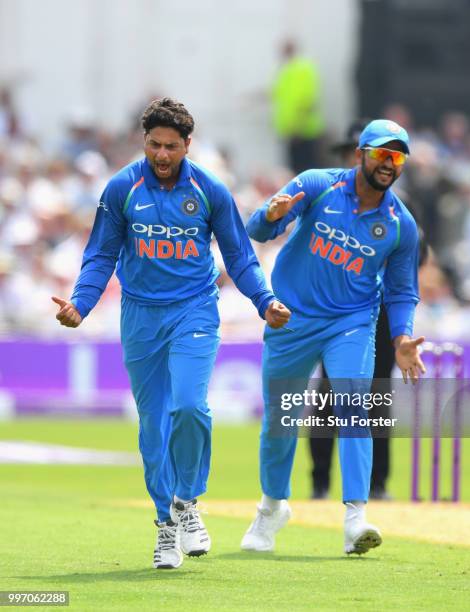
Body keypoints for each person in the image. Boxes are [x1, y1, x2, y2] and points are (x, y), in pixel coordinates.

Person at [51, 97, 291, 570]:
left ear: (187, 145)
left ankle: (187, 504)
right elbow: (101, 255)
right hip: (140, 316)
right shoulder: (122, 187)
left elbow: (239, 255)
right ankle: (165, 526)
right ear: (144, 142)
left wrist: (265, 301)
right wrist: (81, 302)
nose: (162, 155)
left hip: (194, 311)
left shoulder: (209, 190)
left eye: (171, 147)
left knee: (190, 406)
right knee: (153, 425)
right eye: (154, 145)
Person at [242, 119, 426, 555]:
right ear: (360, 153)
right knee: (279, 419)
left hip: (352, 322)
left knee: (353, 405)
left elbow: (402, 291)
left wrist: (402, 338)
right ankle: (271, 509)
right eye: (381, 153)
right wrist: (270, 216)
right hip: (292, 318)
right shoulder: (316, 185)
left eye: (397, 156)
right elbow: (256, 230)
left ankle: (355, 518)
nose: (388, 163)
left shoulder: (401, 224)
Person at [271, 40, 325, 173]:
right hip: (291, 132)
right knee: (294, 171)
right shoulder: (285, 70)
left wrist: (298, 127)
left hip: (303, 132)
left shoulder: (303, 69)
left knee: (306, 170)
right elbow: (276, 93)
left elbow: (308, 101)